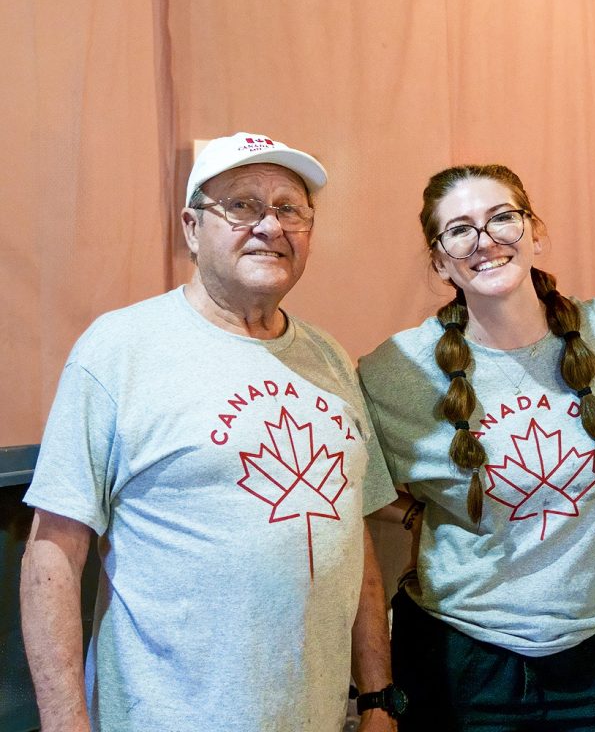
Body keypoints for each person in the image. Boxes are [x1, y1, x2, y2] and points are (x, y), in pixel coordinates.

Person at [20, 132, 400, 731]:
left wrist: (378, 697)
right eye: (242, 205)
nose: (270, 226)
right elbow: (53, 549)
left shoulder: (328, 357)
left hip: (317, 717)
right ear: (192, 229)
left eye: (289, 208)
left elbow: (355, 537)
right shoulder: (119, 349)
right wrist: (64, 721)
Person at [358, 164, 595, 731]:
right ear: (441, 261)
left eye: (502, 219)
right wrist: (421, 510)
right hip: (462, 662)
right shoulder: (395, 370)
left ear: (535, 233)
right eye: (460, 230)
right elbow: (358, 491)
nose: (485, 241)